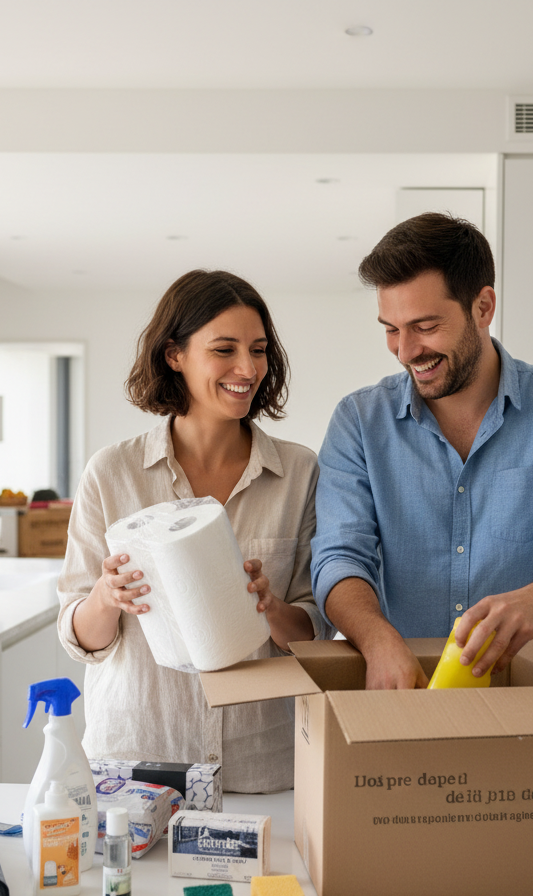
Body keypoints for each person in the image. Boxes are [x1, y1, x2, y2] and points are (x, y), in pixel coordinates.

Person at [58, 269, 328, 792]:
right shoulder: (111, 474)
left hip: (262, 763)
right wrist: (106, 597)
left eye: (258, 350)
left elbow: (313, 631)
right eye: (224, 350)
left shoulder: (298, 473)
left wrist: (269, 607)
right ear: (174, 355)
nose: (247, 368)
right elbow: (79, 639)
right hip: (136, 762)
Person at [311, 212, 533, 690]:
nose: (405, 350)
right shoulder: (359, 422)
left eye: (425, 326)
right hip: (404, 703)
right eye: (391, 329)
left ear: (483, 307)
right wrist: (376, 639)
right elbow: (339, 557)